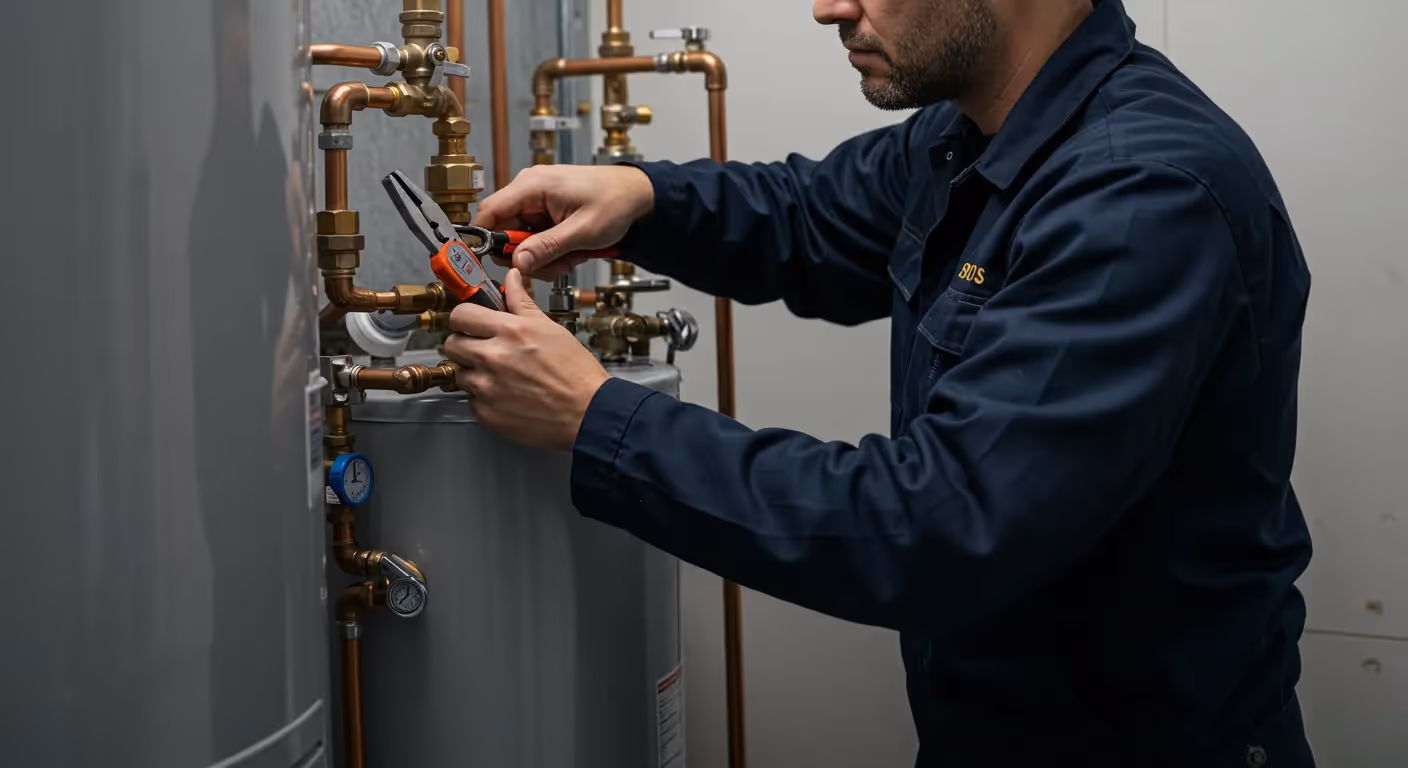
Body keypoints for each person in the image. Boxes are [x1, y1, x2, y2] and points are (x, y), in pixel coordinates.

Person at [443, 0, 1315, 764]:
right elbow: (811, 214)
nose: (828, 9)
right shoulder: (973, 135)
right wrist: (644, 199)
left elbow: (941, 524)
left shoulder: (1139, 196)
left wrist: (599, 418)